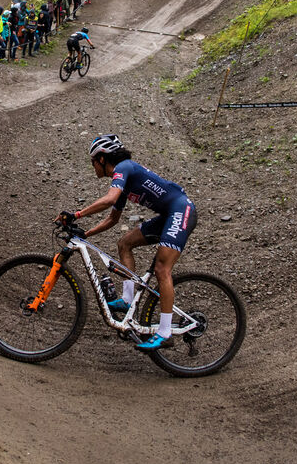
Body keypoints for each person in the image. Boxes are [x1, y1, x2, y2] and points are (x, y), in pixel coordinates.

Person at [57, 135, 197, 351]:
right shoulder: (124, 180)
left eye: (93, 161)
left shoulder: (124, 167)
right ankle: (128, 299)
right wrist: (87, 233)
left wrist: (77, 214)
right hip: (169, 214)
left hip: (181, 210)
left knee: (162, 269)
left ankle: (165, 332)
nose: (92, 166)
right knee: (124, 243)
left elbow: (110, 199)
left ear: (102, 159)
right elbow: (113, 219)